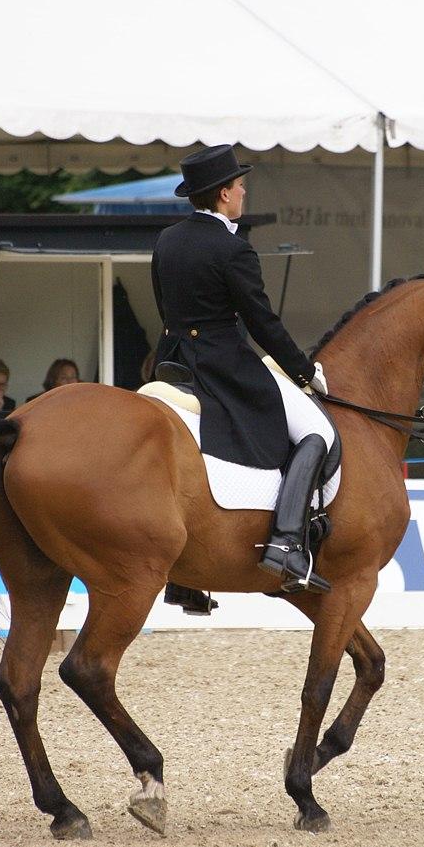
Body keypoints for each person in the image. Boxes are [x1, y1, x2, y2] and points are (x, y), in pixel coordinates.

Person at [151, 145, 334, 611]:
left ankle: (184, 578)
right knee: (315, 431)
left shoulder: (167, 239)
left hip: (174, 362)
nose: (244, 190)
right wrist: (303, 370)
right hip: (224, 367)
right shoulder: (233, 249)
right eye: (239, 185)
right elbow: (262, 323)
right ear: (224, 194)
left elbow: (167, 310)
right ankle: (288, 543)